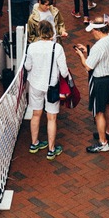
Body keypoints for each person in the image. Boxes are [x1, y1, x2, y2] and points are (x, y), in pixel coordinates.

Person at [22, 19, 69, 160]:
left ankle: (34, 143)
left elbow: (27, 66)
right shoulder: (57, 48)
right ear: (52, 33)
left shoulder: (32, 47)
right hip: (52, 86)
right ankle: (51, 149)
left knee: (36, 114)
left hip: (35, 84)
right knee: (51, 117)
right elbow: (64, 72)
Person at [74, 15, 109, 153]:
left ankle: (103, 142)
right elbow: (102, 55)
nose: (92, 33)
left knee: (98, 112)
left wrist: (81, 56)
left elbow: (88, 66)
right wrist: (88, 51)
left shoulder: (98, 46)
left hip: (99, 81)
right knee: (106, 105)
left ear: (98, 31)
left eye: (93, 31)